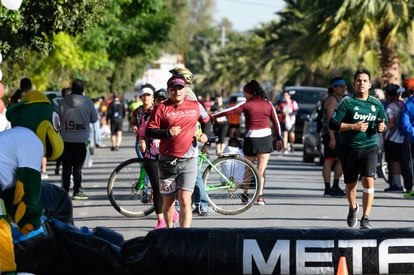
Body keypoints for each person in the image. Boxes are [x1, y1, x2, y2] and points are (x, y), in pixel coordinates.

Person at [146, 76, 210, 228]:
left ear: (185, 89)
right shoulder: (161, 108)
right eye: (173, 89)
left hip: (189, 159)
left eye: (180, 88)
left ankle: (184, 235)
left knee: (185, 200)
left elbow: (207, 121)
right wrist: (167, 132)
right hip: (167, 161)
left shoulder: (195, 105)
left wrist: (205, 134)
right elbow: (150, 130)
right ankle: (170, 232)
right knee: (168, 201)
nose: (177, 92)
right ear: (168, 91)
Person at [329, 68, 387, 229]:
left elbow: (383, 123)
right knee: (351, 185)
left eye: (364, 81)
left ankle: (366, 217)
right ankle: (353, 206)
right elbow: (332, 124)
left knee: (368, 180)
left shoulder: (376, 104)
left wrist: (382, 127)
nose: (361, 83)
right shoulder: (347, 102)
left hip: (369, 147)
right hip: (349, 148)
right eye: (358, 81)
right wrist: (353, 126)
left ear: (369, 84)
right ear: (354, 84)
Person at [211, 80, 283, 205]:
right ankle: (260, 196)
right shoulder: (268, 104)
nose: (244, 95)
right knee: (262, 169)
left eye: (245, 93)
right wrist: (279, 138)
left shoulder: (246, 104)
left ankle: (245, 195)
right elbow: (276, 122)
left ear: (250, 93)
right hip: (265, 139)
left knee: (248, 168)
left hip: (251, 139)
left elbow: (230, 111)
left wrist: (212, 116)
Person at [138, 88, 179, 229]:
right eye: (158, 100)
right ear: (155, 102)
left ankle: (172, 211)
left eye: (163, 100)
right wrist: (142, 141)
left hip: (168, 157)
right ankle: (160, 220)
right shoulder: (148, 116)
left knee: (168, 188)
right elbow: (142, 132)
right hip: (151, 156)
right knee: (156, 188)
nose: (161, 102)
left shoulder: (172, 115)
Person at [58, 79, 98, 200]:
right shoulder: (88, 102)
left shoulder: (62, 102)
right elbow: (94, 119)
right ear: (83, 89)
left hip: (65, 139)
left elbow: (57, 118)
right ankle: (77, 190)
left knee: (66, 167)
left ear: (72, 88)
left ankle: (64, 191)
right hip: (81, 140)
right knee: (78, 167)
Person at [320, 77, 347, 197]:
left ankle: (335, 185)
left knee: (340, 160)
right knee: (329, 160)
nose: (343, 88)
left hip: (339, 134)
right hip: (331, 134)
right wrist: (332, 138)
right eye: (340, 86)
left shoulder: (340, 99)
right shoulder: (331, 100)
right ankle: (328, 187)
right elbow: (330, 120)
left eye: (344, 86)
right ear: (333, 87)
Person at [382, 83, 411, 193]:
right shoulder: (402, 104)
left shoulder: (390, 107)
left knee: (394, 162)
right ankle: (407, 185)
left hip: (392, 138)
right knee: (404, 162)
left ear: (388, 94)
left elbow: (391, 124)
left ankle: (397, 184)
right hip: (404, 137)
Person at [131, 84, 156, 158]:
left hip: (154, 143)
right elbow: (133, 122)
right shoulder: (137, 111)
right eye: (143, 95)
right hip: (140, 141)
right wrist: (134, 126)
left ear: (152, 97)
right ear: (141, 97)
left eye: (148, 95)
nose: (146, 98)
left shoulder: (157, 110)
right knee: (143, 165)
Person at [400, 77, 414, 197]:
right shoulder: (409, 104)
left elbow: (405, 124)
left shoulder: (409, 103)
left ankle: (410, 188)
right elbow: (405, 124)